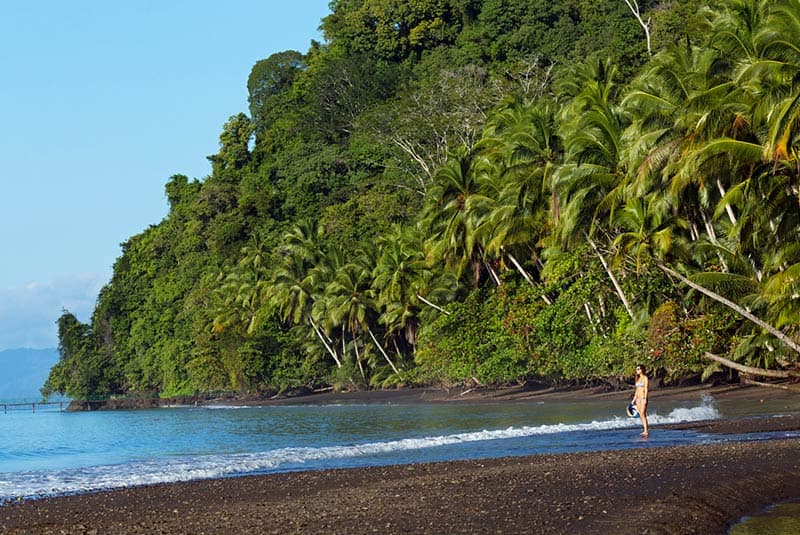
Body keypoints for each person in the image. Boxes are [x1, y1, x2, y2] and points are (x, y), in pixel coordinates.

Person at [632, 364, 649, 437]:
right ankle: (644, 430)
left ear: (642, 370)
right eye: (636, 369)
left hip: (642, 398)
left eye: (638, 369)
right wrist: (634, 399)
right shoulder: (637, 379)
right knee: (641, 415)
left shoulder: (645, 378)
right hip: (638, 399)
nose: (637, 370)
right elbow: (637, 390)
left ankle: (646, 431)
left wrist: (645, 398)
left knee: (642, 414)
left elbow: (646, 389)